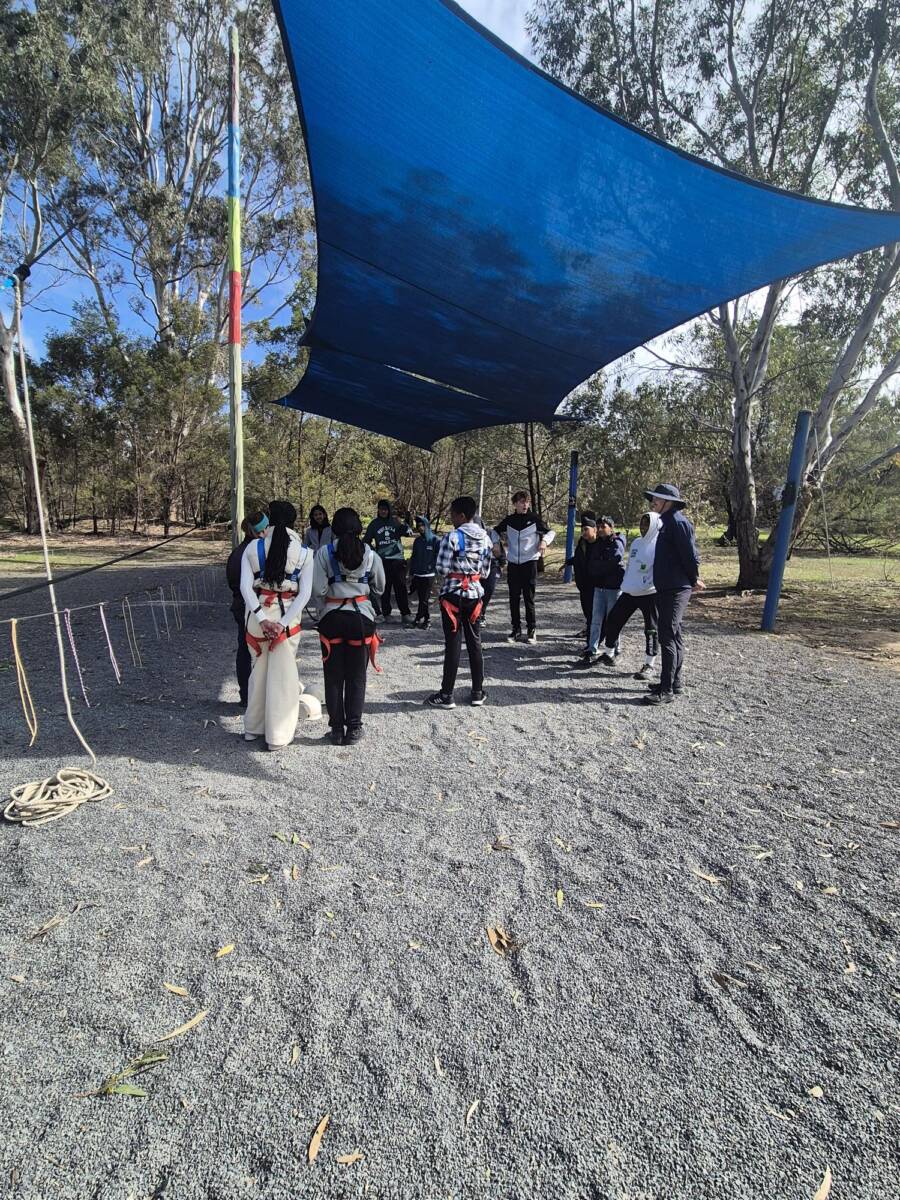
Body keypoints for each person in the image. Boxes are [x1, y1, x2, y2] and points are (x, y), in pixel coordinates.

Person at [240, 500, 314, 750]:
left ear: (269, 520)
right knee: (283, 677)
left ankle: (253, 728)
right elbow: (304, 594)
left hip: (257, 619)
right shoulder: (305, 553)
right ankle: (278, 736)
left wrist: (262, 618)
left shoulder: (253, 547)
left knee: (258, 672)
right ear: (294, 521)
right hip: (287, 620)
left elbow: (245, 588)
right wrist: (281, 624)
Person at [313, 507, 386, 744]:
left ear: (334, 529)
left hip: (332, 619)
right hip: (361, 620)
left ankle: (336, 730)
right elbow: (380, 587)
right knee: (357, 676)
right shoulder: (370, 554)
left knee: (333, 676)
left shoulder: (324, 553)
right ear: (359, 528)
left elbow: (319, 589)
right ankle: (354, 728)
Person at [640, 484, 705, 706]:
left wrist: (693, 579)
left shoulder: (678, 523)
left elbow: (690, 555)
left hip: (676, 588)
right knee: (674, 635)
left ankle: (666, 690)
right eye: (653, 498)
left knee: (667, 635)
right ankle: (673, 682)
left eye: (657, 499)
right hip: (667, 587)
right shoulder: (666, 523)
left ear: (669, 502)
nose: (653, 502)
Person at [426, 496, 493, 709]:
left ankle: (447, 694)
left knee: (453, 644)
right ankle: (477, 692)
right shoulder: (486, 539)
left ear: (462, 516)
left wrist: (456, 572)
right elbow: (485, 572)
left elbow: (442, 568)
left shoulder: (452, 537)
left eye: (453, 515)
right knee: (475, 643)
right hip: (474, 596)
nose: (451, 518)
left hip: (453, 596)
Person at [596, 512, 661, 679]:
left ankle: (649, 664)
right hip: (630, 591)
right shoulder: (637, 543)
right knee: (613, 619)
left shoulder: (660, 544)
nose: (643, 528)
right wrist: (627, 582)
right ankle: (609, 653)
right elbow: (631, 566)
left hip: (649, 593)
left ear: (655, 525)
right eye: (641, 524)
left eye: (647, 525)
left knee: (651, 629)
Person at [491, 490, 554, 644]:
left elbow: (551, 532)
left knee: (528, 597)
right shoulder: (509, 520)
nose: (525, 504)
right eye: (521, 502)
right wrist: (495, 544)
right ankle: (516, 629)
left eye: (526, 502)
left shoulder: (534, 519)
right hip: (513, 563)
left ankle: (531, 630)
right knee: (514, 597)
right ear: (515, 504)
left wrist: (544, 541)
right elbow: (494, 531)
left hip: (530, 562)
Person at [225, 509, 268, 707]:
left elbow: (231, 581)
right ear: (262, 531)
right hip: (255, 605)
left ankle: (245, 694)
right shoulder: (257, 552)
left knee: (243, 649)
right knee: (261, 650)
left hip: (238, 604)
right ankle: (259, 695)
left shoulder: (236, 553)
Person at [576, 516, 625, 667]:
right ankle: (592, 649)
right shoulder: (598, 544)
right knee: (595, 620)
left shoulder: (617, 542)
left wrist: (600, 566)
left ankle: (615, 650)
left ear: (611, 527)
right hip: (599, 587)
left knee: (613, 620)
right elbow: (592, 564)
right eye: (599, 527)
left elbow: (613, 561)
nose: (601, 529)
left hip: (613, 588)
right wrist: (601, 565)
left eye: (604, 526)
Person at [364, 499, 415, 624]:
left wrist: (407, 522)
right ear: (378, 510)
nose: (383, 511)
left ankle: (405, 614)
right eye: (381, 509)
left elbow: (407, 533)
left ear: (389, 510)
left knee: (401, 588)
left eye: (385, 509)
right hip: (382, 560)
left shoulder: (395, 521)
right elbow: (366, 541)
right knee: (385, 588)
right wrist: (374, 552)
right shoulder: (374, 524)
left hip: (397, 559)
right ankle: (387, 614)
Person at [564, 511, 598, 638]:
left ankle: (595, 633)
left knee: (595, 609)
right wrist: (569, 562)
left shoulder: (600, 544)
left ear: (594, 529)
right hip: (583, 583)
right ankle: (589, 628)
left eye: (586, 529)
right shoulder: (582, 543)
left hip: (596, 584)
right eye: (582, 530)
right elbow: (579, 558)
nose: (583, 532)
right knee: (586, 609)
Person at [408, 515, 439, 628]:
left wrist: (435, 572)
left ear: (427, 526)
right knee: (422, 599)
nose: (420, 527)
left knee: (424, 599)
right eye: (418, 525)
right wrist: (411, 573)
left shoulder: (435, 540)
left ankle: (417, 619)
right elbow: (414, 557)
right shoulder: (417, 541)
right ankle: (427, 619)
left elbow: (438, 557)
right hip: (418, 574)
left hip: (429, 575)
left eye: (422, 525)